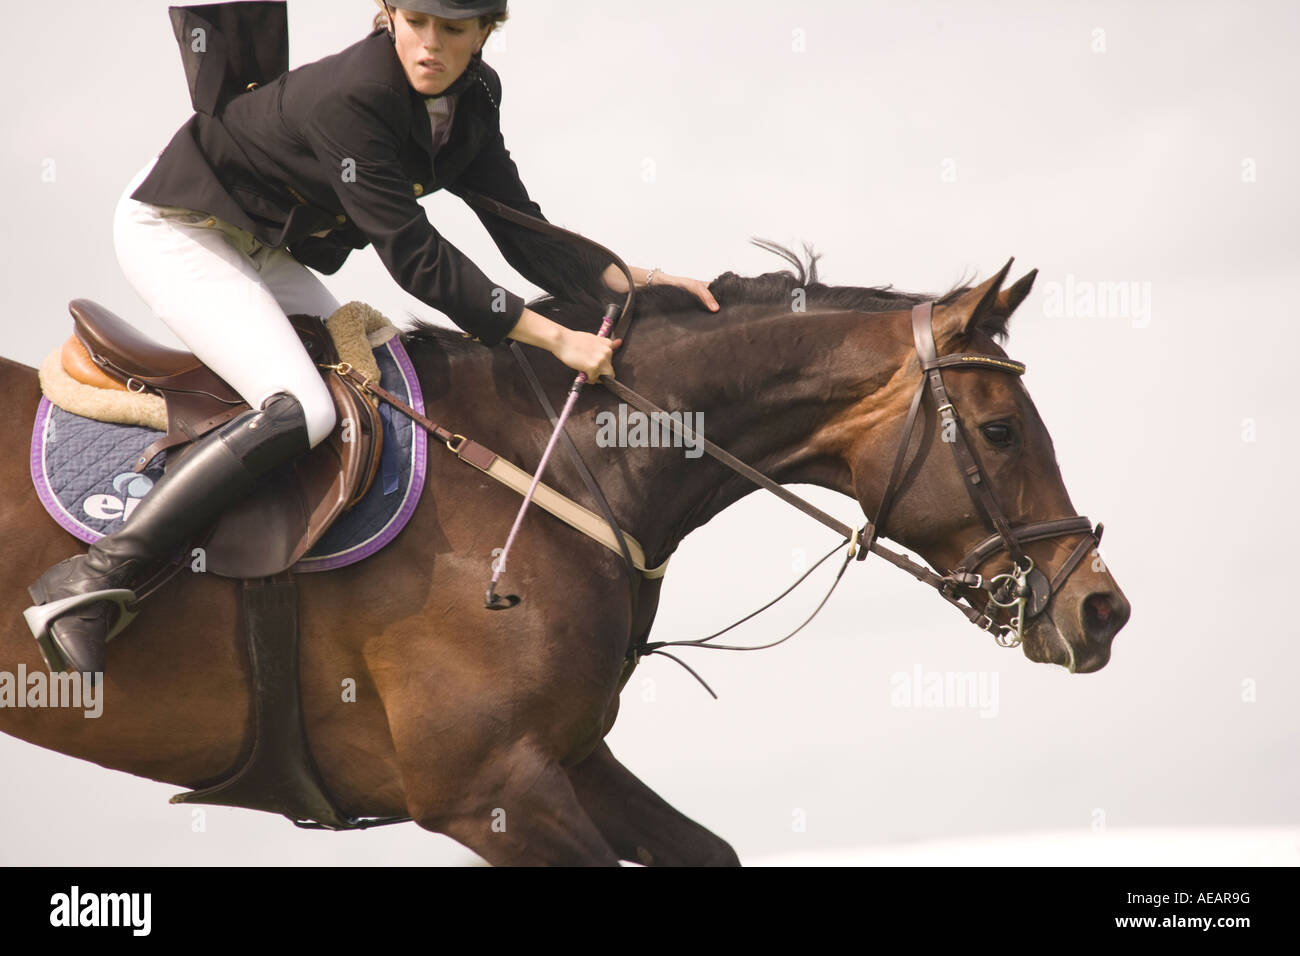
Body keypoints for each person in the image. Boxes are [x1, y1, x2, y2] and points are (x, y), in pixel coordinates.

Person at [24, 0, 720, 681]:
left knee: (375, 386)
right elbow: (419, 258)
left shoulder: (475, 93)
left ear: (485, 31)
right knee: (303, 406)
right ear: (388, 13)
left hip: (260, 243)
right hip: (176, 227)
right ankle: (91, 578)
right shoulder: (357, 96)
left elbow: (519, 225)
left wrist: (632, 278)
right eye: (416, 21)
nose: (430, 44)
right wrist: (556, 339)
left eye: (452, 29)